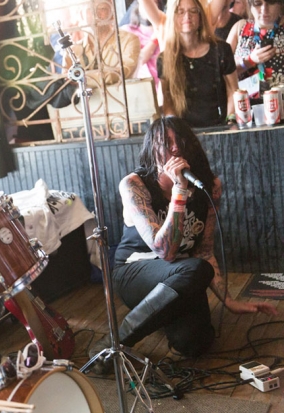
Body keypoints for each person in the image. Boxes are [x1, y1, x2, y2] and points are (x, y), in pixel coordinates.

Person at [89, 116, 277, 373]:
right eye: (166, 142)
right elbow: (163, 251)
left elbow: (204, 250)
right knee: (196, 269)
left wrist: (229, 301)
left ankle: (165, 314)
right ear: (152, 149)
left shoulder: (210, 186)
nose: (175, 148)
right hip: (134, 272)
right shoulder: (135, 185)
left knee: (195, 344)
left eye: (181, 142)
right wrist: (179, 190)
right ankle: (113, 343)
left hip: (182, 273)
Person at [141, 0, 239, 127]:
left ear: (200, 16)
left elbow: (233, 90)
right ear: (173, 17)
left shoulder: (221, 50)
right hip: (184, 133)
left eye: (193, 11)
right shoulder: (165, 58)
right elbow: (168, 101)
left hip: (220, 127)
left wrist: (231, 121)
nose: (187, 16)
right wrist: (176, 130)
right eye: (180, 12)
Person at [227, 0, 284, 88]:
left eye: (271, 3)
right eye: (258, 3)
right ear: (250, 6)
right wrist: (249, 61)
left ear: (280, 4)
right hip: (245, 98)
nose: (264, 10)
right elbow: (221, 70)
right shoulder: (240, 27)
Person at [120, 0, 162, 89]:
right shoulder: (127, 32)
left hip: (163, 87)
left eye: (155, 3)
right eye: (148, 3)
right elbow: (138, 60)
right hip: (139, 88)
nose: (151, 7)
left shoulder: (166, 29)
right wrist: (155, 40)